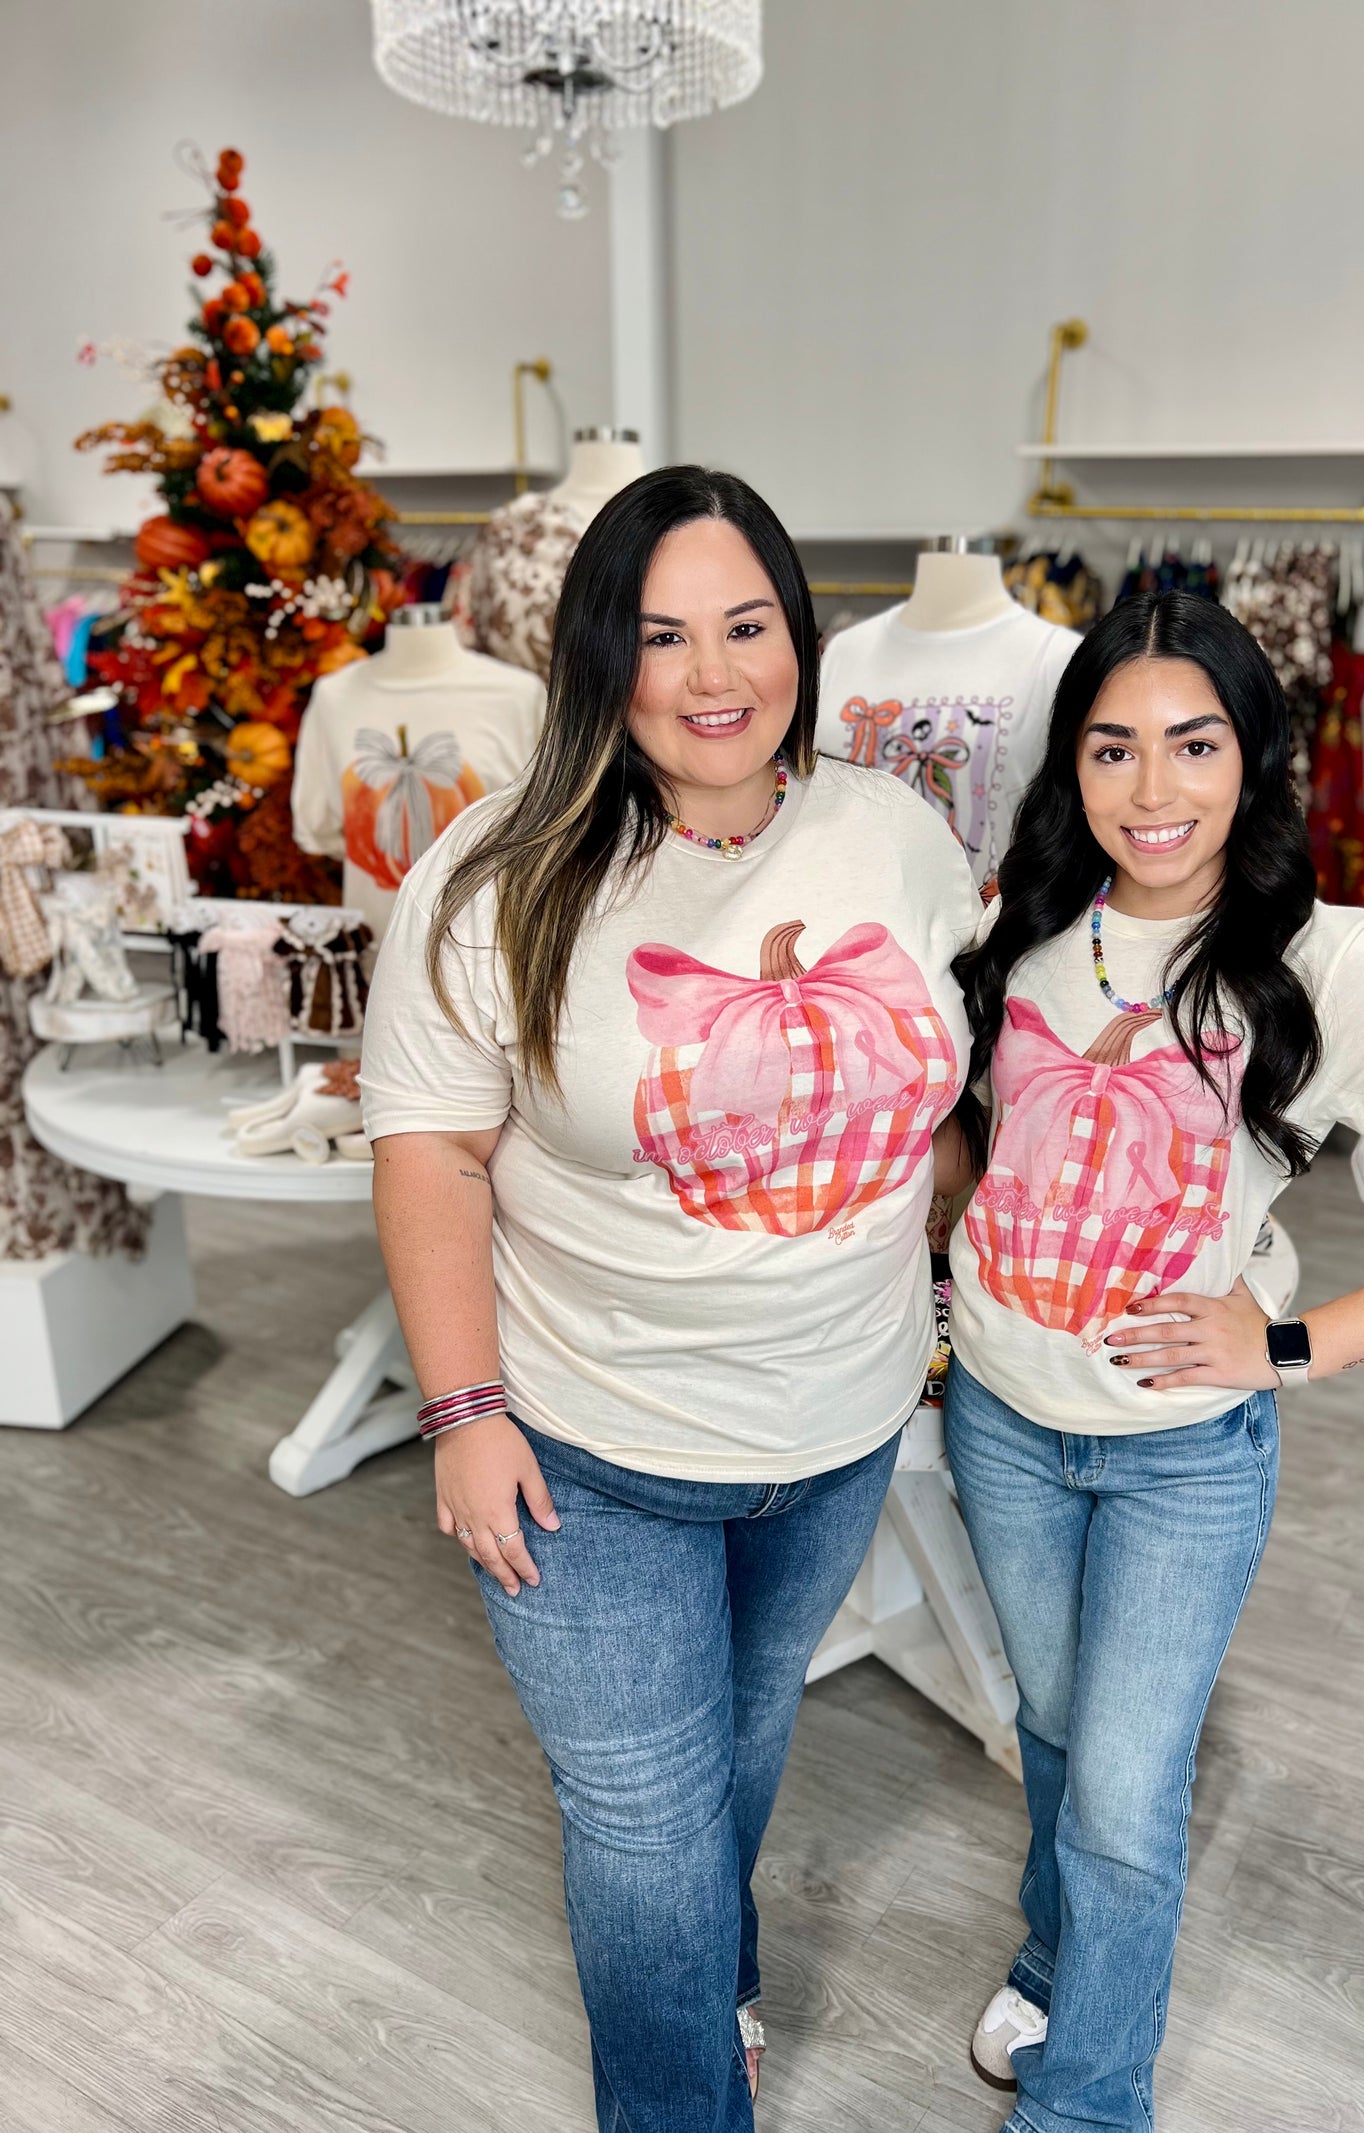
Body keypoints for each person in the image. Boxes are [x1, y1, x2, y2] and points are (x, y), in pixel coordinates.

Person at [359, 466, 980, 2133]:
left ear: (799, 633)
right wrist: (463, 1413)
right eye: (661, 635)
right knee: (642, 1817)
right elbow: (431, 1157)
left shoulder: (898, 834)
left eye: (748, 624)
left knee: (742, 1750)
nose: (715, 673)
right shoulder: (497, 877)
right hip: (590, 1446)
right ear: (599, 661)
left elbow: (951, 1074)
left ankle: (720, 1975)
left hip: (835, 1427)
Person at [941, 591, 1364, 2130]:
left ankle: (1088, 2101)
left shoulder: (1322, 956)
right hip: (1003, 1420)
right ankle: (1057, 1946)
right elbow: (986, 1151)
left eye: (1193, 743)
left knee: (1130, 1793)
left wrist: (1288, 1340)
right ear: (1068, 767)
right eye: (1113, 748)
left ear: (1253, 754)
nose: (1154, 790)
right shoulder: (1019, 925)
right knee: (1057, 1728)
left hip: (1178, 1451)